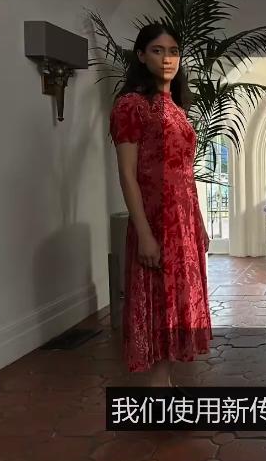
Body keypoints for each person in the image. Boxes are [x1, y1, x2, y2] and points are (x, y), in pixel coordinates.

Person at [109, 23, 212, 386]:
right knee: (157, 300)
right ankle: (158, 389)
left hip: (183, 221)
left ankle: (165, 385)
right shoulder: (131, 106)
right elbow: (127, 174)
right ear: (141, 56)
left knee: (176, 302)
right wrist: (144, 233)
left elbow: (186, 173)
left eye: (173, 51)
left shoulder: (178, 109)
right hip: (153, 220)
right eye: (157, 50)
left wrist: (198, 222)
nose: (167, 58)